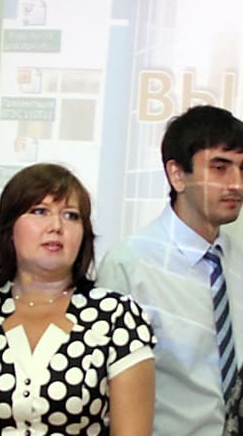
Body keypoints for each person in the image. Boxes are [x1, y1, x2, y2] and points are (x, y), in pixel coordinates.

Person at [0, 163, 156, 435]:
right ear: (9, 228)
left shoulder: (118, 317)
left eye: (71, 216)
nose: (56, 226)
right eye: (40, 211)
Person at [98, 105, 243, 435]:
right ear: (177, 175)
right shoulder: (129, 264)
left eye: (242, 169)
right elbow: (105, 389)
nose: (236, 184)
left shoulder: (237, 261)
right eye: (220, 168)